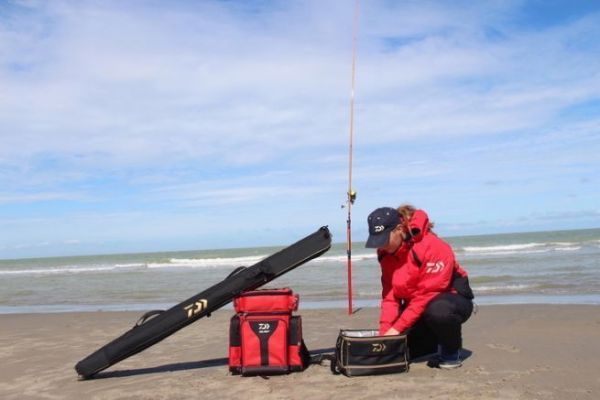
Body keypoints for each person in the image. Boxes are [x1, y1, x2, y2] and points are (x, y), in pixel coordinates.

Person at [366, 205, 474, 369]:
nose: (381, 246)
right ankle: (434, 340)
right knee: (402, 351)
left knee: (439, 311)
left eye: (384, 240)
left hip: (450, 300)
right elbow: (390, 297)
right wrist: (385, 333)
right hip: (417, 305)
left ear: (399, 229)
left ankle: (451, 352)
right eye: (377, 242)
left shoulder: (434, 246)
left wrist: (396, 329)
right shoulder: (385, 254)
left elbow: (427, 294)